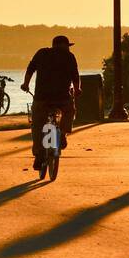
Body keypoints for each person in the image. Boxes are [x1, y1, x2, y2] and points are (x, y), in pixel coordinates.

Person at [22, 35, 81, 173]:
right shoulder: (69, 56)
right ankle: (63, 133)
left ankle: (38, 155)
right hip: (62, 97)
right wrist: (77, 89)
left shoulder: (41, 53)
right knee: (69, 111)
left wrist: (26, 84)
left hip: (42, 97)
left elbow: (30, 69)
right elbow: (75, 76)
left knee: (37, 124)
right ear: (64, 45)